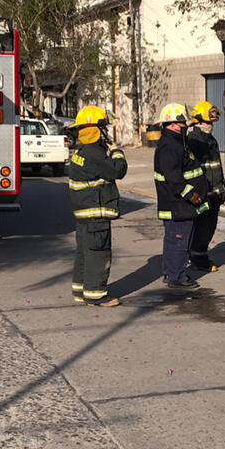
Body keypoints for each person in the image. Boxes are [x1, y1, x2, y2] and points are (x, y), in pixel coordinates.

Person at [67, 105, 128, 307]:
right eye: (104, 127)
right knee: (98, 253)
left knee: (84, 251)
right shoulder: (94, 153)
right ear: (96, 129)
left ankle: (81, 289)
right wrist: (117, 151)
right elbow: (117, 171)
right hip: (96, 214)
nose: (107, 131)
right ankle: (96, 294)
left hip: (84, 213)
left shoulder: (81, 151)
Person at [154, 103, 212, 288]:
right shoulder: (170, 146)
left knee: (174, 240)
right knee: (179, 241)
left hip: (180, 204)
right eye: (182, 124)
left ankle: (170, 272)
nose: (185, 127)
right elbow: (174, 178)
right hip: (178, 204)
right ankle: (177, 277)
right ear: (172, 124)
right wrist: (191, 195)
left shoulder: (178, 142)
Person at [186, 101, 225, 272]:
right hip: (202, 192)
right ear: (197, 121)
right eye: (206, 122)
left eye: (211, 123)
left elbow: (217, 165)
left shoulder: (212, 140)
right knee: (200, 227)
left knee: (210, 226)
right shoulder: (192, 141)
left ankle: (199, 254)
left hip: (214, 192)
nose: (210, 126)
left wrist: (221, 187)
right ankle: (197, 258)